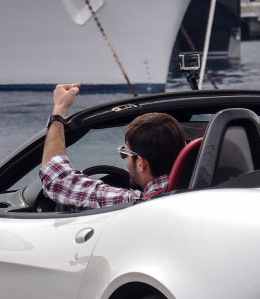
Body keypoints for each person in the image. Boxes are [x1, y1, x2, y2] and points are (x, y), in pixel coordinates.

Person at [39, 82, 186, 210]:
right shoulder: (197, 192)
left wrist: (59, 109)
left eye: (125, 153)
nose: (125, 160)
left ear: (141, 164)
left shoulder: (133, 203)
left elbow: (57, 179)